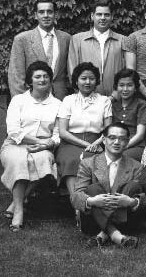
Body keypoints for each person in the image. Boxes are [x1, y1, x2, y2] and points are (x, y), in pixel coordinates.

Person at [0, 61, 62, 231]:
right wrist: (38, 142)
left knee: (43, 161)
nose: (42, 80)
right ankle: (19, 210)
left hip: (44, 147)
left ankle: (16, 202)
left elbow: (57, 134)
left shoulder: (58, 104)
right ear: (30, 81)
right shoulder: (18, 100)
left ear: (50, 80)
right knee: (20, 160)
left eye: (45, 76)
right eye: (37, 76)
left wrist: (47, 144)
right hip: (15, 144)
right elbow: (13, 131)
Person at [71, 122, 146, 249]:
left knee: (132, 187)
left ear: (127, 142)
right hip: (93, 221)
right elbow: (75, 196)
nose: (116, 142)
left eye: (122, 139)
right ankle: (117, 236)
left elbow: (144, 198)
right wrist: (93, 201)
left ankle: (103, 235)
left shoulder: (136, 167)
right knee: (93, 189)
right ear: (104, 140)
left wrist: (131, 202)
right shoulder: (88, 163)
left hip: (126, 220)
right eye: (112, 138)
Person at [56, 63, 112, 200]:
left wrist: (96, 144)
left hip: (97, 141)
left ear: (96, 81)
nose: (87, 82)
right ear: (76, 81)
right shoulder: (68, 100)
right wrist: (86, 145)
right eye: (83, 78)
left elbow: (108, 130)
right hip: (71, 141)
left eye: (91, 78)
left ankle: (91, 201)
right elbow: (63, 132)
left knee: (94, 162)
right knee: (71, 160)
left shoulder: (104, 100)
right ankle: (77, 204)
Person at [8, 0, 71, 100]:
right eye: (41, 12)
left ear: (55, 14)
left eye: (49, 12)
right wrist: (21, 103)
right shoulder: (22, 39)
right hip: (32, 99)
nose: (46, 15)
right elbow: (16, 77)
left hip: (60, 100)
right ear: (36, 15)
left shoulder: (66, 38)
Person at [68, 0, 128, 96]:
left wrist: (115, 95)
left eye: (106, 15)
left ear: (112, 17)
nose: (103, 18)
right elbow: (72, 71)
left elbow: (127, 71)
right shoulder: (77, 40)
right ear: (92, 16)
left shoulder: (123, 40)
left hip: (116, 99)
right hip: (86, 98)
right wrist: (83, 94)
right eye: (99, 14)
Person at [111, 69, 146, 161]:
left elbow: (140, 135)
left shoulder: (141, 104)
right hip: (114, 144)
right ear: (116, 87)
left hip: (135, 145)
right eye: (121, 85)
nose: (125, 89)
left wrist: (124, 146)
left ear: (135, 87)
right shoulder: (113, 105)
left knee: (121, 158)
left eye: (129, 85)